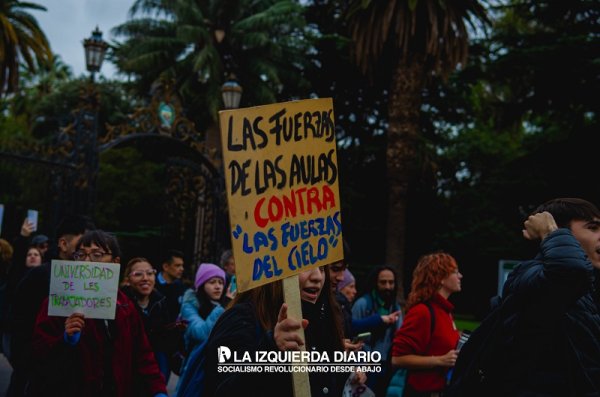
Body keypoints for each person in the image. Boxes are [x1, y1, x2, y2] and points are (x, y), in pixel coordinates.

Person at [454, 198, 600, 396]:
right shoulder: (533, 274)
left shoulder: (575, 288)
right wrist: (549, 231)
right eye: (593, 228)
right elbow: (570, 269)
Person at [29, 229, 167, 397]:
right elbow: (38, 352)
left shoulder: (125, 305)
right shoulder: (59, 301)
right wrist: (65, 341)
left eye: (97, 254)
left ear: (115, 262)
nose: (87, 261)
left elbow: (143, 355)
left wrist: (158, 390)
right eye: (80, 255)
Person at [201, 267, 352, 397]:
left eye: (321, 268)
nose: (317, 277)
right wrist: (271, 349)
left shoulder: (322, 318)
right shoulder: (242, 319)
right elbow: (223, 390)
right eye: (303, 266)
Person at [5, 214, 94, 397]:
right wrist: (29, 368)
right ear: (63, 244)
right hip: (38, 379)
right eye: (83, 241)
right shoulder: (38, 278)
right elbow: (20, 327)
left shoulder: (92, 280)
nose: (88, 248)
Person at [391, 253, 462, 397]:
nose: (460, 276)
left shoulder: (445, 312)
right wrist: (439, 360)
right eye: (455, 272)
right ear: (441, 278)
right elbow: (397, 359)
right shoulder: (422, 312)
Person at [352, 265, 402, 396]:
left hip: (386, 366)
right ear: (375, 282)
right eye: (383, 282)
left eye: (391, 282)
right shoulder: (362, 304)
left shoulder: (395, 307)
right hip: (364, 367)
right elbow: (350, 332)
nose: (387, 287)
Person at [121, 257, 173, 382]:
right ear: (127, 280)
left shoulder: (160, 301)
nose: (145, 278)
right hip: (128, 365)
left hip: (155, 365)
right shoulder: (121, 304)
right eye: (138, 274)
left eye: (150, 273)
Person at [180, 263, 226, 353]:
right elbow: (201, 334)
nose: (218, 287)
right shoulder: (188, 306)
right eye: (212, 282)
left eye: (221, 282)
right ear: (202, 285)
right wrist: (222, 308)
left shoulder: (220, 305)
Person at [155, 249, 187, 323]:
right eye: (177, 265)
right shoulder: (152, 284)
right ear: (166, 266)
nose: (182, 269)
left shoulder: (181, 286)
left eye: (182, 265)